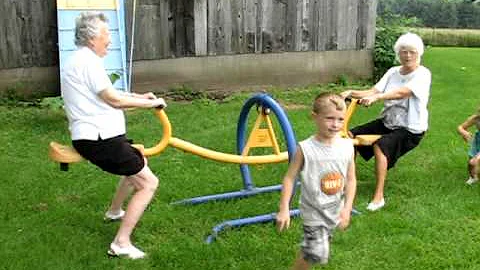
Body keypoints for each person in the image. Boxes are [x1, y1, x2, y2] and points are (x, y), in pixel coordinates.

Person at [61, 12, 166, 259]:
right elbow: (113, 99)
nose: (109, 39)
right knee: (148, 183)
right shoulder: (87, 62)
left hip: (99, 136)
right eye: (106, 34)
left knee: (138, 164)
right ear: (91, 38)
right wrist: (150, 105)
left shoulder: (80, 60)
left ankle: (115, 211)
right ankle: (121, 242)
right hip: (99, 139)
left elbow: (108, 93)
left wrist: (141, 97)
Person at [340, 32, 431, 211]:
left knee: (381, 145)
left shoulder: (423, 74)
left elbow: (402, 92)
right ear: (399, 53)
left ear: (419, 52)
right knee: (350, 137)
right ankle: (346, 183)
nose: (408, 56)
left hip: (411, 128)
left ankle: (379, 196)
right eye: (404, 52)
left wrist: (378, 98)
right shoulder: (392, 72)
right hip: (389, 122)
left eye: (412, 52)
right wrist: (351, 92)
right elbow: (373, 90)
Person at [276, 92, 357, 269]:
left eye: (340, 119)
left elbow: (351, 180)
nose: (335, 124)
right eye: (329, 118)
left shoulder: (347, 146)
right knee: (315, 253)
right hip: (313, 212)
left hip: (334, 210)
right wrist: (284, 209)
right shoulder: (305, 149)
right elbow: (290, 178)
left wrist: (347, 208)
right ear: (315, 117)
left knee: (312, 250)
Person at [457, 108, 480, 185]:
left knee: (473, 162)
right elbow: (460, 127)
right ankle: (473, 177)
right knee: (470, 162)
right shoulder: (475, 118)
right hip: (477, 141)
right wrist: (464, 132)